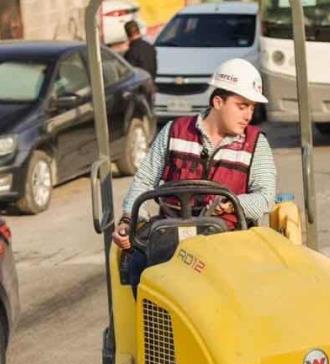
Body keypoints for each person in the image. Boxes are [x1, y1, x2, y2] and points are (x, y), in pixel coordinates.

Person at [113, 58, 276, 292]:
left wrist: (232, 205)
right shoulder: (173, 132)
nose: (249, 115)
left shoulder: (256, 144)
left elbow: (265, 197)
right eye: (242, 106)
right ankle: (152, 326)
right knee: (138, 261)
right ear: (218, 102)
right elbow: (144, 180)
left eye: (252, 107)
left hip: (228, 238)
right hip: (171, 235)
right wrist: (129, 220)